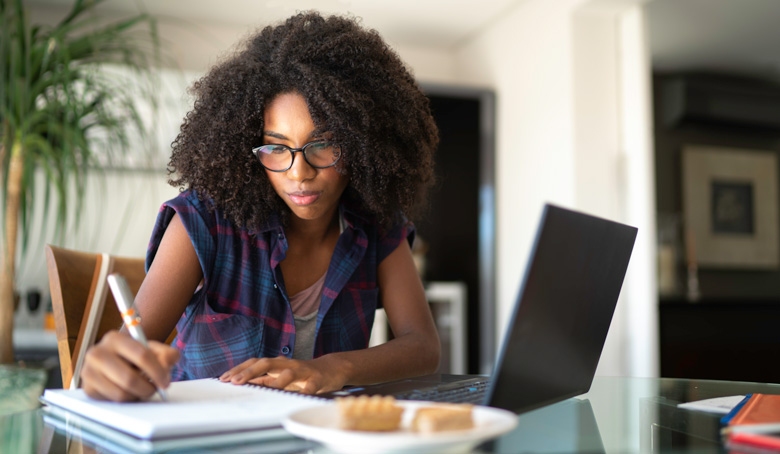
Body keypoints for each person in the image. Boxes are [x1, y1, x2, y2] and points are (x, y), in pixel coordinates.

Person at [80, 11, 441, 402]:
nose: (298, 172)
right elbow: (125, 357)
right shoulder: (203, 220)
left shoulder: (377, 227)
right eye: (275, 147)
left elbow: (422, 346)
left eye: (322, 145)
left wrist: (332, 368)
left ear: (362, 146)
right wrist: (107, 369)